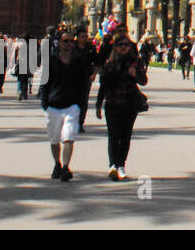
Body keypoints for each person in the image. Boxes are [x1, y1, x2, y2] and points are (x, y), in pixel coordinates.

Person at [95, 34, 148, 180]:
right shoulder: (110, 63)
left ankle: (121, 166)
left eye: (126, 45)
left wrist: (135, 75)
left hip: (130, 104)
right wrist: (98, 105)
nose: (124, 47)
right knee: (113, 135)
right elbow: (103, 86)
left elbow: (144, 81)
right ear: (116, 47)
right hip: (112, 103)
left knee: (125, 136)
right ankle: (113, 165)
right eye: (121, 45)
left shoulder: (136, 62)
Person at [40, 30, 89, 181]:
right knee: (55, 139)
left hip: (71, 106)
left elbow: (83, 84)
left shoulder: (78, 60)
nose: (69, 44)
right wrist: (45, 104)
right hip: (53, 106)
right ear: (59, 43)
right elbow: (44, 83)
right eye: (65, 41)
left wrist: (80, 104)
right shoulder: (51, 60)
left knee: (68, 137)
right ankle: (57, 164)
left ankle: (66, 167)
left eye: (71, 41)